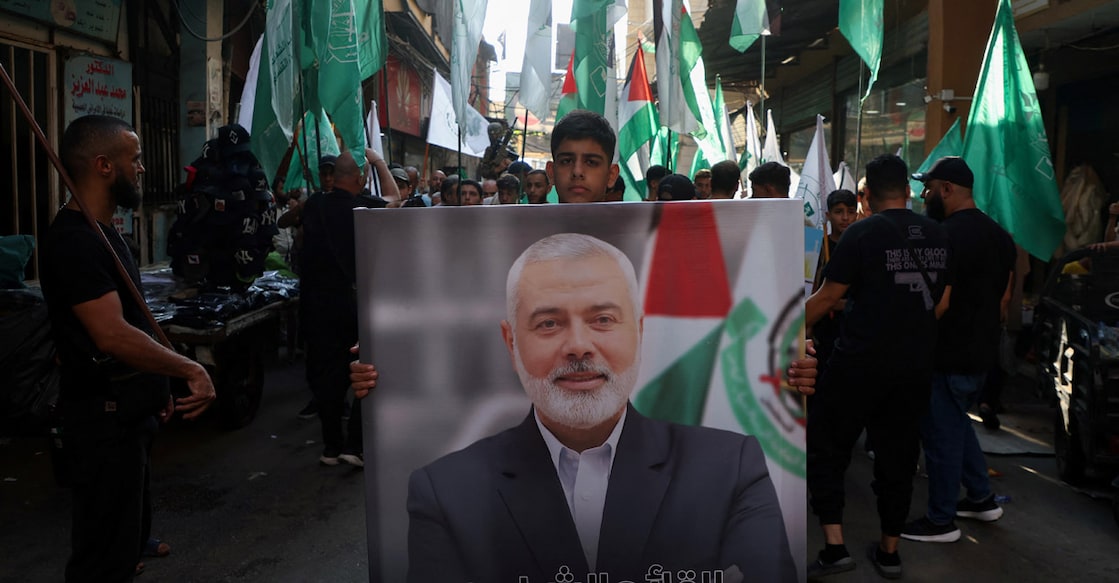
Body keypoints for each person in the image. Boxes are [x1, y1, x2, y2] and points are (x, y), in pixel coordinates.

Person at [402, 233, 810, 582]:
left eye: (602, 319)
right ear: (511, 343)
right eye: (548, 323)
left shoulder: (731, 469)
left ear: (639, 331)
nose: (578, 345)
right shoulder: (444, 493)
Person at [40, 114, 217, 582]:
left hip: (126, 416)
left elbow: (135, 322)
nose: (140, 169)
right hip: (99, 423)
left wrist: (155, 389)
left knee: (122, 543)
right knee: (102, 558)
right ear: (103, 165)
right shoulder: (74, 242)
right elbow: (112, 335)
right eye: (133, 159)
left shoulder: (109, 233)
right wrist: (188, 370)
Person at [804, 154, 952, 580]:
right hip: (913, 369)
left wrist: (786, 327)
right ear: (907, 191)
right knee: (898, 456)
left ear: (865, 195)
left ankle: (835, 547)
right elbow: (941, 303)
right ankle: (889, 552)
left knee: (827, 447)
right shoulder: (939, 234)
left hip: (857, 366)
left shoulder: (861, 234)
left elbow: (829, 297)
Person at [901, 157, 1014, 543]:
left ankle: (940, 520)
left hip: (948, 354)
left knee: (941, 436)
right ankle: (982, 498)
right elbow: (1003, 297)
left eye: (929, 187)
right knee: (957, 425)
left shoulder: (944, 235)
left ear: (947, 189)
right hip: (982, 351)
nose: (924, 194)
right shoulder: (1000, 235)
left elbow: (941, 302)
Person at [301, 148, 397, 467]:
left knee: (329, 376)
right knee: (364, 369)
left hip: (318, 306)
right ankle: (354, 445)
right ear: (360, 178)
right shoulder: (365, 207)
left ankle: (330, 447)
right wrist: (378, 162)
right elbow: (395, 200)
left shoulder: (314, 204)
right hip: (354, 304)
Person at [547, 109, 621, 204]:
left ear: (611, 175)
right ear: (551, 172)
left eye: (591, 162)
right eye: (566, 161)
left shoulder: (639, 219)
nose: (577, 172)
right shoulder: (528, 219)